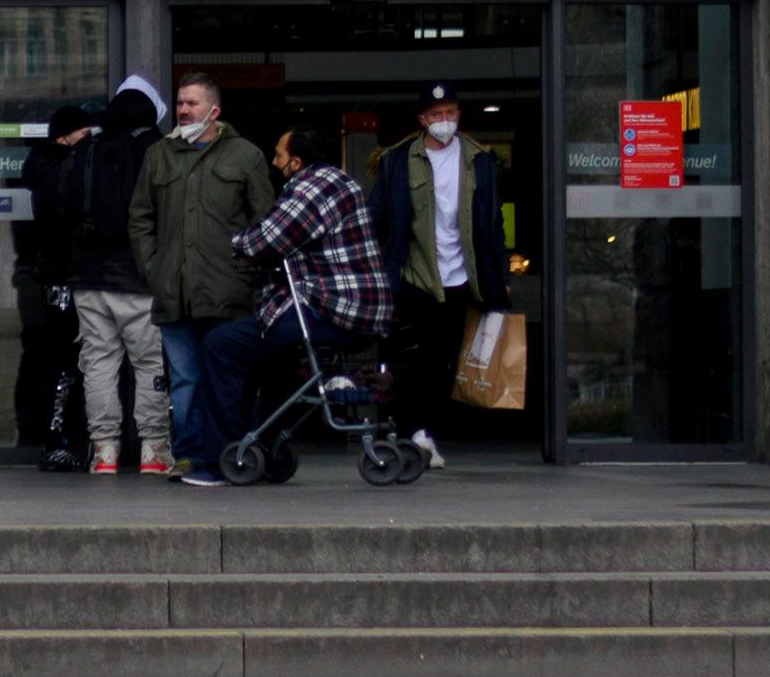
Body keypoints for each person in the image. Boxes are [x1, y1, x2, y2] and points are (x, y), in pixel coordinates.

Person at [197, 117, 393, 482]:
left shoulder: (312, 187)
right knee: (273, 357)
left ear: (297, 161)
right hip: (354, 312)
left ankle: (223, 456)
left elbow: (267, 239)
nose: (274, 162)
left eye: (278, 155)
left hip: (332, 310)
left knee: (220, 345)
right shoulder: (337, 181)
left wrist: (237, 243)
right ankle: (269, 444)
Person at [364, 84, 510, 474]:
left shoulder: (479, 160)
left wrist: (500, 277)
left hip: (462, 276)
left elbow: (493, 224)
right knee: (416, 356)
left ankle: (425, 432)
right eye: (436, 114)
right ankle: (415, 434)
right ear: (423, 120)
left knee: (445, 360)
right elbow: (376, 217)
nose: (445, 121)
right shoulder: (398, 161)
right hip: (416, 274)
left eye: (450, 113)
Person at [132, 74, 275, 468]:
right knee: (184, 379)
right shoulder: (158, 154)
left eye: (191, 103)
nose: (183, 110)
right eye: (180, 103)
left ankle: (237, 454)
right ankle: (190, 456)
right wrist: (153, 269)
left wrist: (247, 271)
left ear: (214, 110)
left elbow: (264, 221)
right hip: (174, 290)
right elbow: (140, 217)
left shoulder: (245, 155)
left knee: (230, 377)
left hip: (228, 290)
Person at [65, 76, 168, 476]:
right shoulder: (153, 151)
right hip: (137, 278)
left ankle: (104, 452)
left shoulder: (84, 151)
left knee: (99, 363)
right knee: (150, 363)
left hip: (88, 278)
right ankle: (153, 451)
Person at [13, 98, 99, 468]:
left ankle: (52, 436)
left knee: (50, 356)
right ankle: (60, 440)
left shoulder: (44, 168)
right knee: (64, 360)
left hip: (50, 278)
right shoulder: (59, 173)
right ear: (64, 139)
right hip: (63, 277)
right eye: (84, 135)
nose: (90, 142)